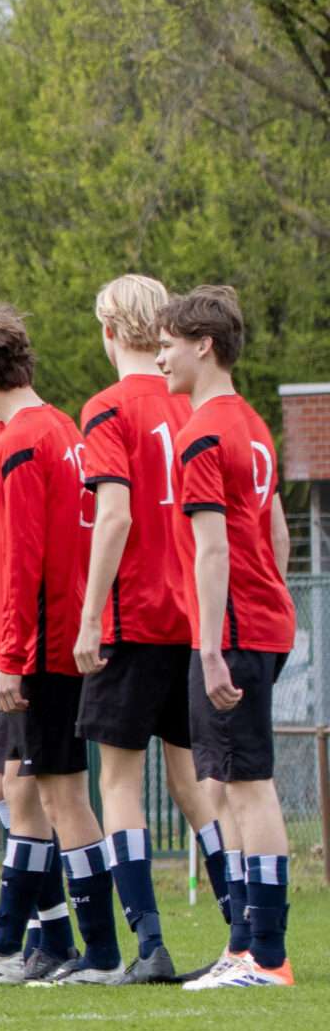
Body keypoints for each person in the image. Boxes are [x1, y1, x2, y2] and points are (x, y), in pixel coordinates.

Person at [0, 306, 129, 986]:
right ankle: (30, 944)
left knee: (60, 794)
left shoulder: (24, 439)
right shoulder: (55, 430)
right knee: (23, 790)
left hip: (40, 645)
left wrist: (12, 659)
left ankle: (88, 951)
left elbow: (25, 559)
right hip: (36, 640)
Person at [73, 275, 230, 982]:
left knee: (119, 782)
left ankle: (149, 942)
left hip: (133, 617)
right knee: (194, 782)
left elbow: (115, 516)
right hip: (190, 618)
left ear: (109, 329)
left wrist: (89, 616)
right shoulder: (190, 401)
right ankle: (245, 927)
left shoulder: (108, 408)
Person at [161, 287, 298, 990]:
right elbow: (276, 532)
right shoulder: (252, 424)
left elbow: (213, 550)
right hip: (253, 622)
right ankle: (243, 945)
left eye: (169, 345)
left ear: (203, 344)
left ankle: (267, 956)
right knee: (218, 785)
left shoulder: (204, 433)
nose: (162, 358)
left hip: (232, 631)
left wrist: (212, 646)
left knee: (247, 786)